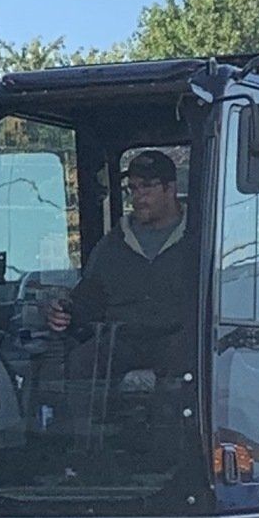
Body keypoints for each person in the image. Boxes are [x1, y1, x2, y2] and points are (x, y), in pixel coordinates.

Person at [48, 149, 192, 385]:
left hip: (179, 342)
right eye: (133, 188)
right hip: (123, 341)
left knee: (190, 361)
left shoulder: (198, 238)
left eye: (147, 186)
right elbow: (88, 300)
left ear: (170, 188)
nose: (138, 196)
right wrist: (63, 311)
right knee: (79, 364)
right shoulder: (112, 245)